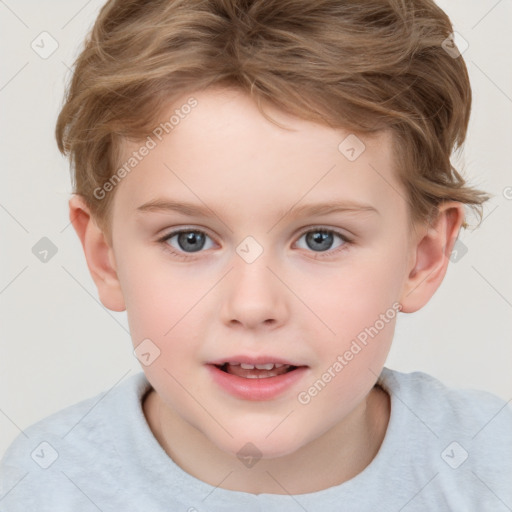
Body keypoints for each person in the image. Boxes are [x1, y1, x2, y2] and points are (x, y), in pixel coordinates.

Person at [1, 0, 510, 510]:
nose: (252, 305)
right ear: (105, 257)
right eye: (190, 239)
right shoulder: (45, 488)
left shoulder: (491, 468)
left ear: (422, 258)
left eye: (320, 239)